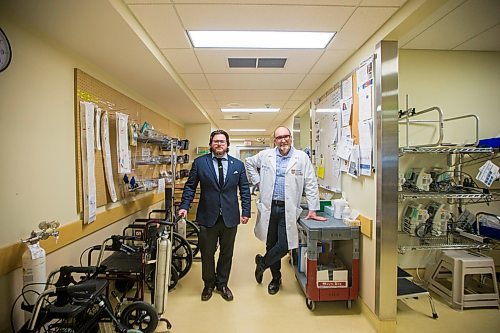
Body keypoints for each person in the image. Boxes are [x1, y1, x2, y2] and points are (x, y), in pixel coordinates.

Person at [245, 126, 326, 295]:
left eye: (286, 136)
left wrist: (313, 209)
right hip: (269, 207)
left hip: (287, 209)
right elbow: (249, 163)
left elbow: (311, 183)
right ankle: (276, 279)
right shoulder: (266, 155)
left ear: (291, 138)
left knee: (283, 246)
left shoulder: (301, 158)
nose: (283, 140)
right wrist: (258, 182)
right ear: (275, 140)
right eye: (279, 137)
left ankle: (262, 263)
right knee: (270, 244)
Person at [179, 129, 251, 302]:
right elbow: (190, 187)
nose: (219, 144)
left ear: (227, 145)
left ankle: (222, 284)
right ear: (211, 144)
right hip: (207, 216)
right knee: (207, 253)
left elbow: (245, 190)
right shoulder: (199, 163)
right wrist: (184, 206)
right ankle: (208, 284)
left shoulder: (237, 165)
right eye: (216, 141)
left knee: (227, 253)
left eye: (222, 141)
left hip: (230, 217)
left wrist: (246, 211)